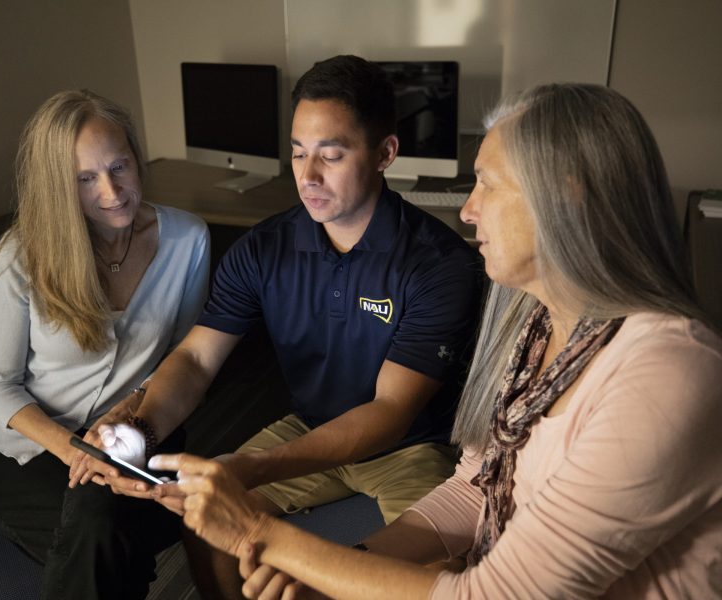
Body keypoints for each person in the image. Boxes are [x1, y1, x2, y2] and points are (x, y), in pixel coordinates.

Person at [153, 83, 722, 599]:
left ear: (565, 197)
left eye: (487, 184)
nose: (469, 211)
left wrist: (266, 536)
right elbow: (474, 490)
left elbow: (493, 596)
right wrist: (346, 567)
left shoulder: (667, 373)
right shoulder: (534, 326)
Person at [94, 55, 482, 598]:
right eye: (299, 152)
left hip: (413, 447)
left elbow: (391, 413)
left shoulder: (440, 265)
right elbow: (198, 358)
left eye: (331, 154)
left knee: (441, 571)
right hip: (311, 425)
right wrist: (141, 429)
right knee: (207, 523)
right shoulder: (265, 247)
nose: (307, 176)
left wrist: (249, 467)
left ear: (384, 153)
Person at [0, 89, 210, 600]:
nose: (112, 191)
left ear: (136, 158)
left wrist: (129, 414)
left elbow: (184, 360)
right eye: (85, 178)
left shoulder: (189, 239)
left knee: (100, 533)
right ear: (58, 185)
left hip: (139, 429)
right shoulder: (23, 254)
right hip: (28, 448)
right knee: (107, 530)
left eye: (119, 167)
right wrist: (75, 449)